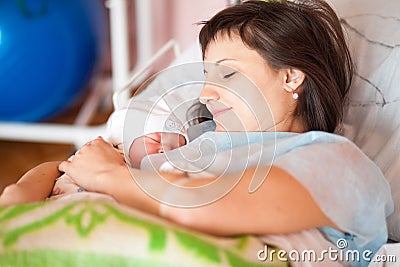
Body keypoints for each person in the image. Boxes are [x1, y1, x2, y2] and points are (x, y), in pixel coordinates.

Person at [0, 1, 393, 266]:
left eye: (226, 73)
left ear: (291, 76)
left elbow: (208, 208)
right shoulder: (183, 147)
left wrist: (110, 175)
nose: (205, 93)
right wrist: (22, 195)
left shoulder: (336, 160)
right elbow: (71, 166)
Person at [0, 99, 187, 204]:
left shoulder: (153, 177)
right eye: (156, 139)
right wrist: (23, 190)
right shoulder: (104, 152)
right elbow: (59, 168)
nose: (163, 149)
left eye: (172, 149)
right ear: (125, 139)